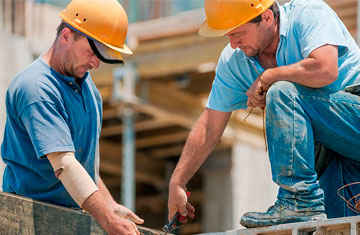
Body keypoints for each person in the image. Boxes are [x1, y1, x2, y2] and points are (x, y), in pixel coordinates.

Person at [167, 0, 360, 228]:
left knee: (281, 92)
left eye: (238, 33)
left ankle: (299, 202)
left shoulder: (309, 13)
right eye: (227, 35)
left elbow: (325, 69)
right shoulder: (234, 61)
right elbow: (210, 124)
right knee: (344, 227)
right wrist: (177, 182)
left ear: (267, 18)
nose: (233, 43)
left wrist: (270, 76)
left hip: (354, 118)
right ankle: (303, 204)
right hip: (333, 152)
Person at [1, 0, 144, 234]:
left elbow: (80, 165)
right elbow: (64, 164)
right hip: (26, 220)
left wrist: (109, 205)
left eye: (102, 54)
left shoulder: (89, 90)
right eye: (92, 51)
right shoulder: (36, 88)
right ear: (66, 36)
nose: (96, 63)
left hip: (66, 220)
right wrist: (108, 220)